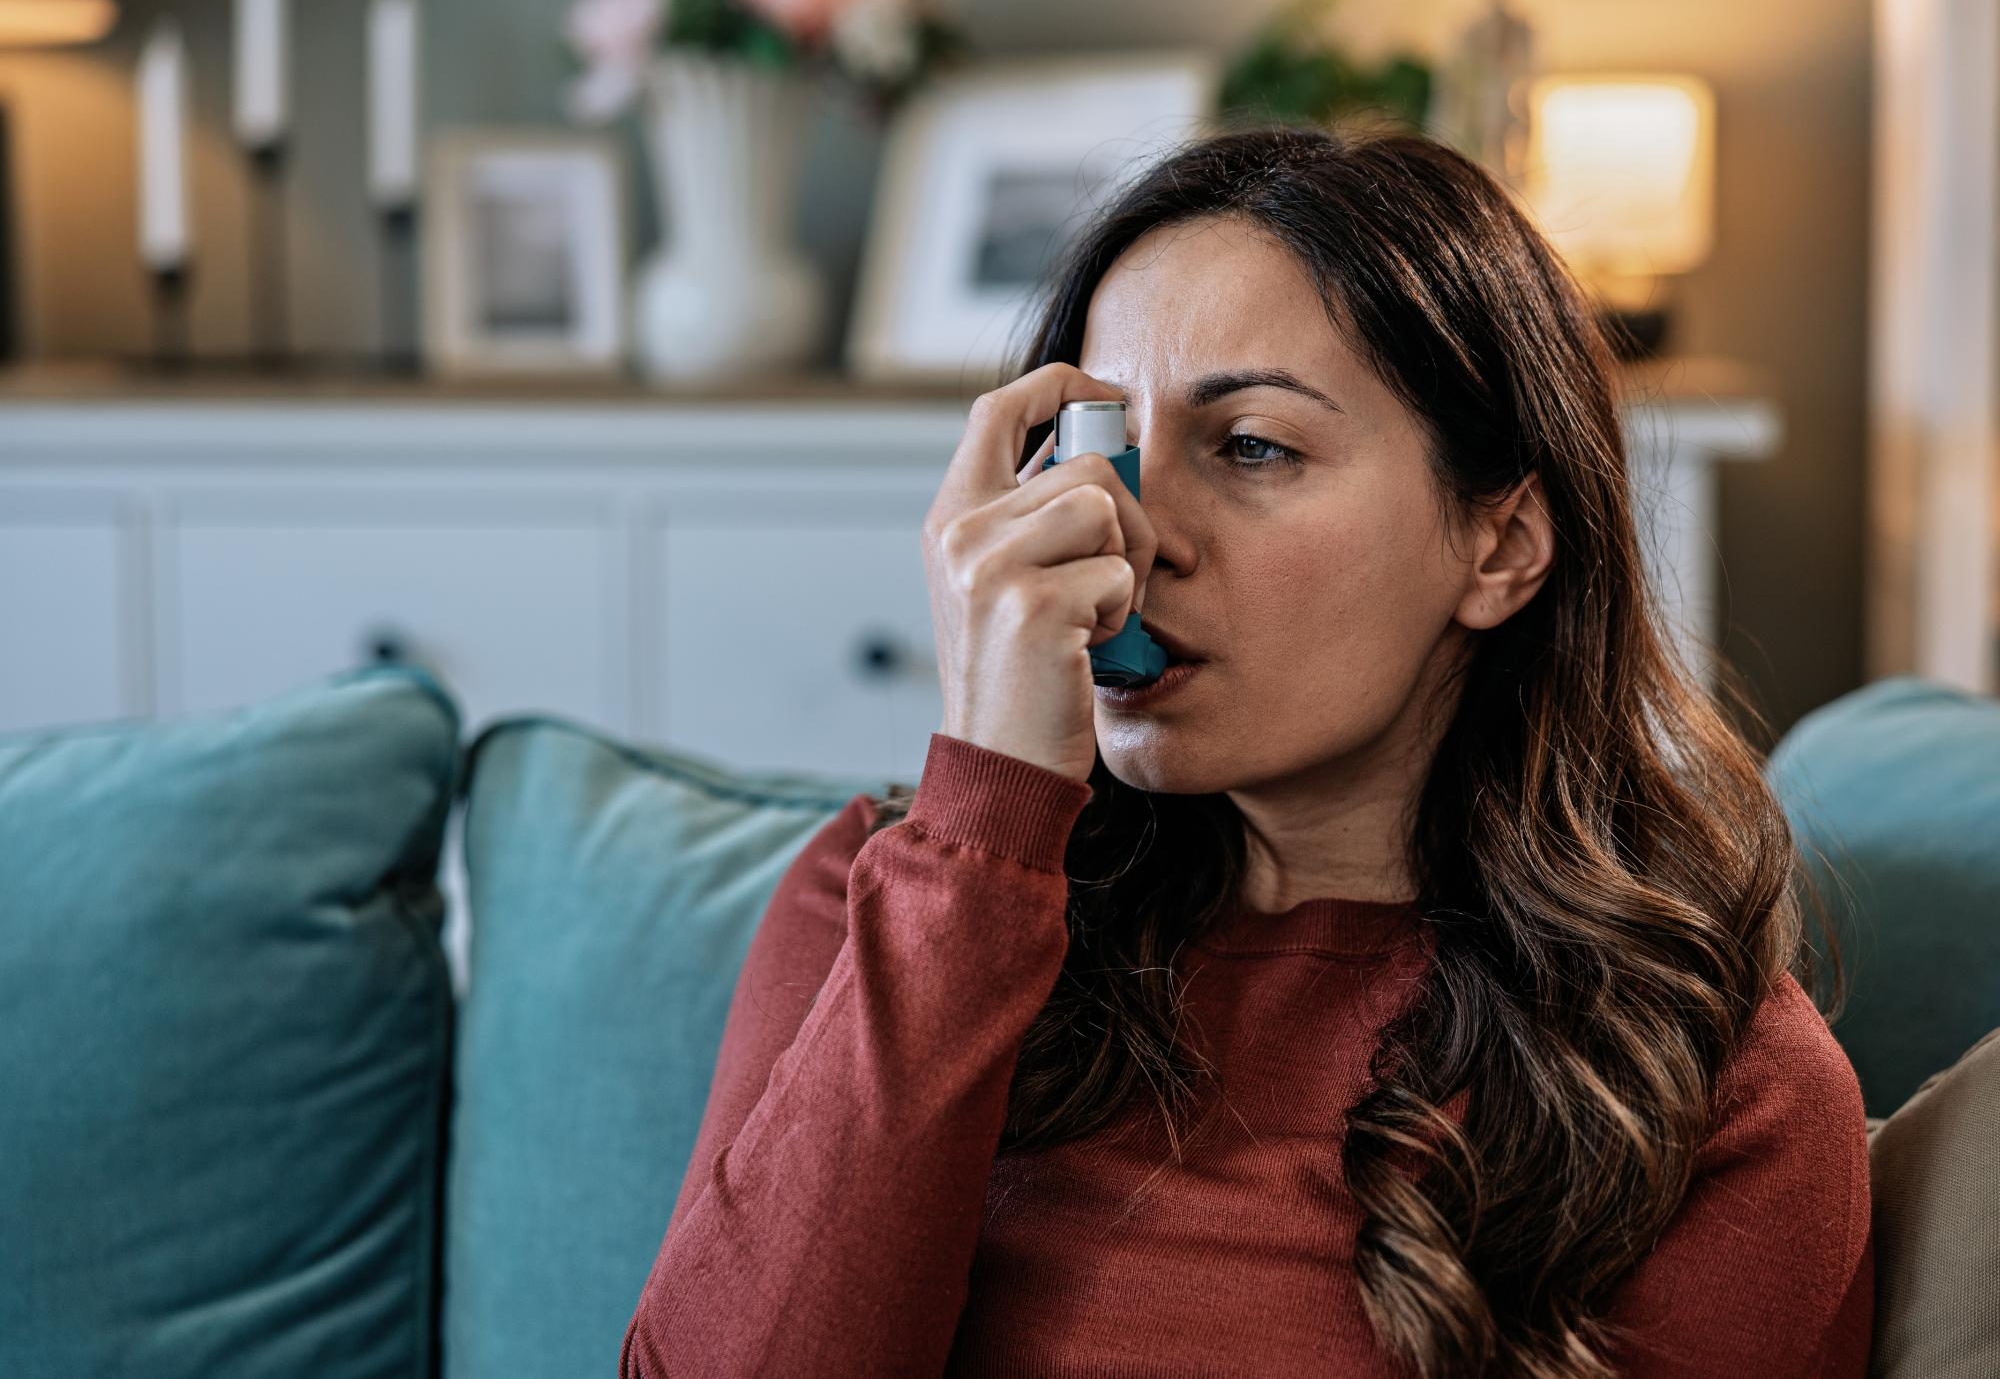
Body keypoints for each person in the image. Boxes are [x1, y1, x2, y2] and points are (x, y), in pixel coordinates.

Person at [619, 124, 1873, 1378]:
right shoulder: (880, 898)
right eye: (1098, 445)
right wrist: (985, 827)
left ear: (1497, 549)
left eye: (1253, 447)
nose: (1127, 537)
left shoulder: (1702, 1086)